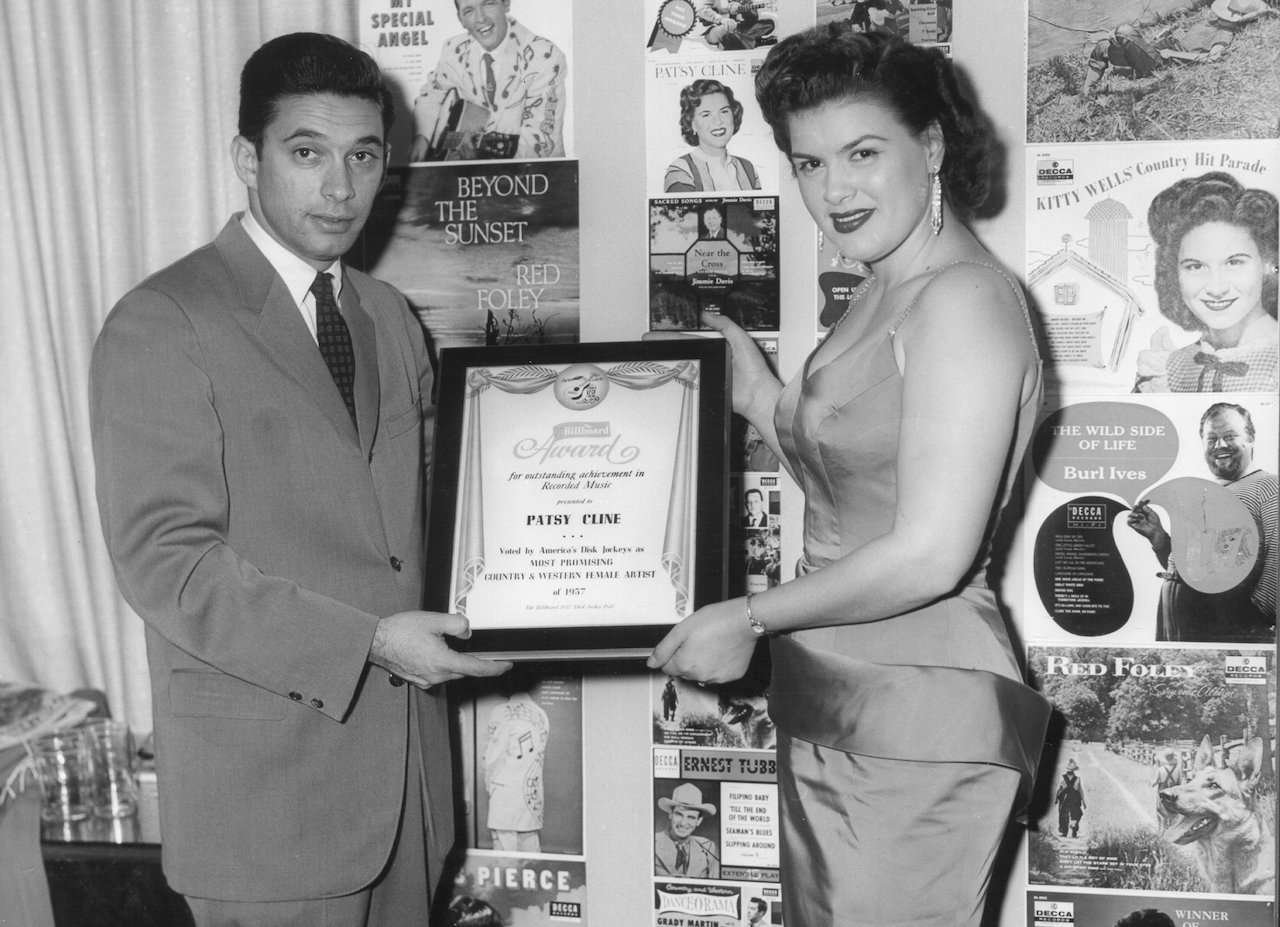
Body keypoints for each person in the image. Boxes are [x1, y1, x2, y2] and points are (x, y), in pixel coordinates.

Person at [89, 33, 511, 926]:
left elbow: (441, 518)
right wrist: (368, 642)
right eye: (307, 152)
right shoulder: (164, 320)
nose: (339, 187)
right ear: (248, 157)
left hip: (409, 793)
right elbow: (168, 564)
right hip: (267, 807)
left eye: (363, 157)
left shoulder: (388, 315)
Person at [648, 27, 1051, 926]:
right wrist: (763, 404)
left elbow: (930, 552)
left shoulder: (962, 300)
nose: (835, 190)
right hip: (839, 688)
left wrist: (746, 617)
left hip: (913, 713)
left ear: (933, 146)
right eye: (809, 162)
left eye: (864, 153)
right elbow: (864, 493)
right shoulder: (885, 281)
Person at [1126, 402, 1277, 642]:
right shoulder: (1205, 493)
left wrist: (1250, 621)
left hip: (1227, 630)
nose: (1221, 445)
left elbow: (1276, 568)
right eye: (1212, 438)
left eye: (1230, 436)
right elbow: (1196, 571)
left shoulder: (1267, 487)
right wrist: (1159, 537)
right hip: (1174, 626)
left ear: (1251, 438)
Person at [1133, 172, 1278, 393]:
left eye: (1234, 262)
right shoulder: (1166, 368)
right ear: (1174, 274)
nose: (1216, 288)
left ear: (1267, 264)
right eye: (1196, 266)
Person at [409, 0, 566, 161]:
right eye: (468, 11)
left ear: (506, 4)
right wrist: (422, 136)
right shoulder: (453, 50)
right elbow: (431, 95)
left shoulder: (545, 57)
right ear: (461, 19)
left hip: (537, 176)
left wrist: (483, 161)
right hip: (465, 173)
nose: (480, 18)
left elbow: (540, 140)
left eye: (488, 4)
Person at [482, 680, 550, 853]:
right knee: (531, 854)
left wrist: (490, 785)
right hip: (531, 796)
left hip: (504, 795)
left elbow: (492, 758)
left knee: (505, 857)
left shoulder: (500, 712)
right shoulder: (542, 714)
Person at [665, 79, 760, 193]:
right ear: (692, 124)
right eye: (706, 115)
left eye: (724, 111)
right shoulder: (681, 170)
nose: (718, 121)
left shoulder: (747, 168)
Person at [654, 782, 721, 879]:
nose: (683, 823)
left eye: (691, 817)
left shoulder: (707, 847)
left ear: (699, 821)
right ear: (670, 814)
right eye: (679, 814)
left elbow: (715, 883)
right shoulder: (653, 842)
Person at [1080, 23, 1166, 95]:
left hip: (1155, 62)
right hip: (1152, 54)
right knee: (1102, 47)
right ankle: (1086, 92)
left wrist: (1107, 36)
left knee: (1124, 30)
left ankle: (1110, 37)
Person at [697, 0, 777, 50]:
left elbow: (753, 19)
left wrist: (742, 8)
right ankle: (755, 42)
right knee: (727, 31)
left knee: (768, 24)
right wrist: (722, 19)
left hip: (736, 28)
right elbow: (702, 10)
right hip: (713, 30)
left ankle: (740, 41)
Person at [1151, 747, 1184, 828]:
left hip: (1162, 798)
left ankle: (1162, 832)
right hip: (1173, 798)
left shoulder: (1160, 770)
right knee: (1174, 818)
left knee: (1162, 818)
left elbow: (1154, 783)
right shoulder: (1178, 770)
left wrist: (1150, 783)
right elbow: (1179, 783)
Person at [1055, 759, 1087, 837]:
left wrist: (1055, 798)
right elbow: (1080, 790)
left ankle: (1064, 831)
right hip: (1075, 799)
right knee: (1076, 814)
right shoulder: (1078, 779)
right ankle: (1073, 827)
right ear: (1074, 770)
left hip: (1065, 799)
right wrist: (1083, 801)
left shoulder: (1062, 778)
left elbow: (1058, 788)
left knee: (1063, 814)